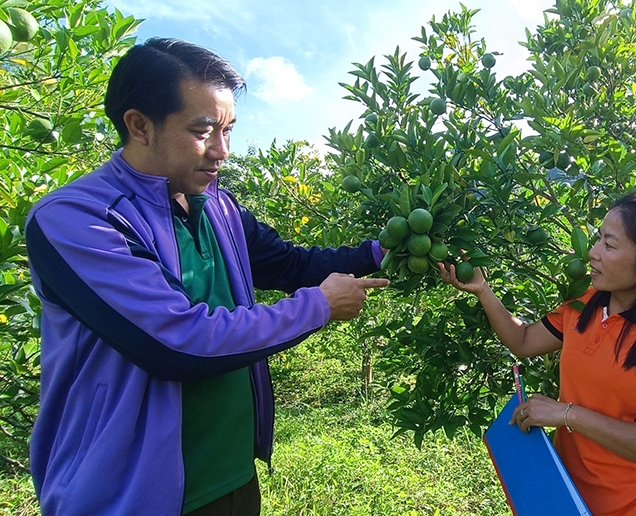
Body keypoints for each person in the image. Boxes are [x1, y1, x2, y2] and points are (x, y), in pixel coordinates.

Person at [25, 37, 389, 516]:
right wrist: (318, 306)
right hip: (129, 495)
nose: (222, 151)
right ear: (139, 125)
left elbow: (290, 265)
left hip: (232, 479)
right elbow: (176, 341)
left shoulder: (217, 206)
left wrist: (384, 251)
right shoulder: (77, 220)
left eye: (228, 130)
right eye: (203, 132)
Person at [439, 192, 636, 516]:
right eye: (598, 239)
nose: (593, 254)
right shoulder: (588, 302)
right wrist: (483, 291)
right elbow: (524, 340)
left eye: (609, 245)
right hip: (564, 494)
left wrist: (567, 414)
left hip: (633, 507)